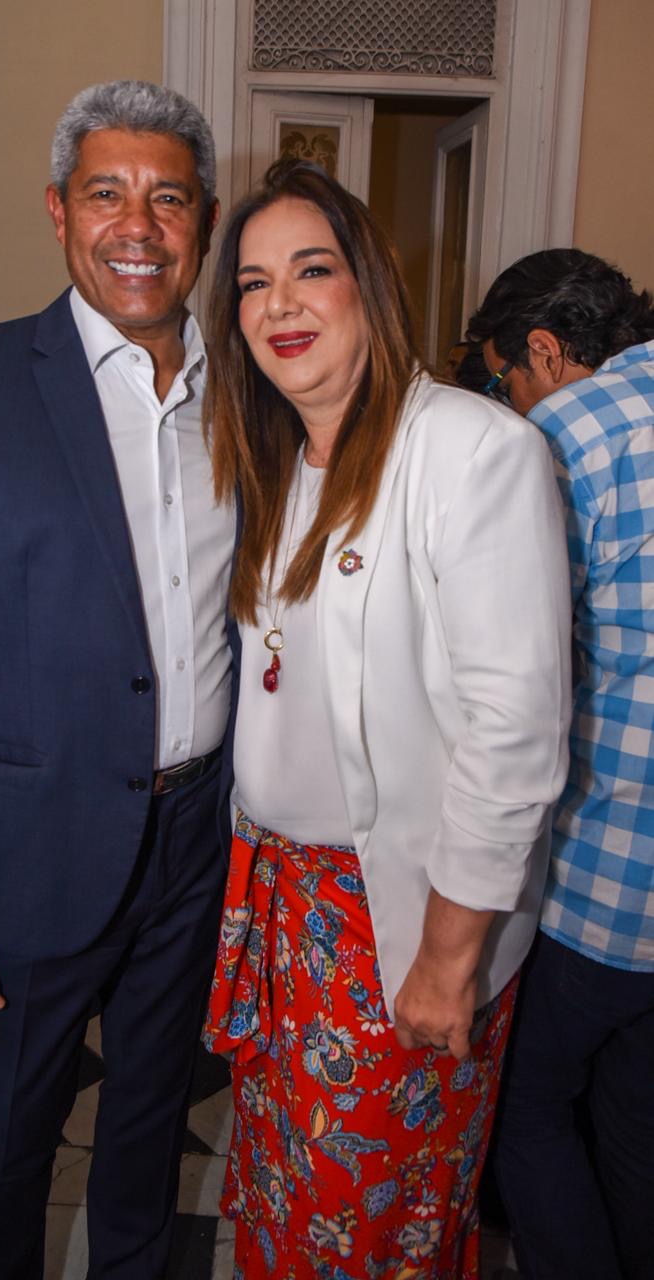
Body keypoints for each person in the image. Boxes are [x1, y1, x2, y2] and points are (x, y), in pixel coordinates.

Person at [0, 81, 235, 1280]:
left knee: (149, 1123)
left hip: (197, 836)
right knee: (9, 1142)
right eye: (105, 193)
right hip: (27, 851)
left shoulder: (247, 395)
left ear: (202, 219)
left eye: (167, 198)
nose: (137, 225)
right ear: (57, 210)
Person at [201, 160, 572, 1279]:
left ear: (368, 284)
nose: (278, 303)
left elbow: (514, 734)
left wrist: (447, 961)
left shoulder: (473, 450)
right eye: (253, 282)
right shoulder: (272, 460)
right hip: (279, 908)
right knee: (286, 1202)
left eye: (310, 270)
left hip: (398, 917)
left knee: (375, 1227)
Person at [467, 249, 654, 1280]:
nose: (506, 401)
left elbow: (516, 667)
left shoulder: (566, 436)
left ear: (542, 350)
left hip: (606, 874)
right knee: (632, 1122)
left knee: (523, 1109)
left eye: (503, 379)